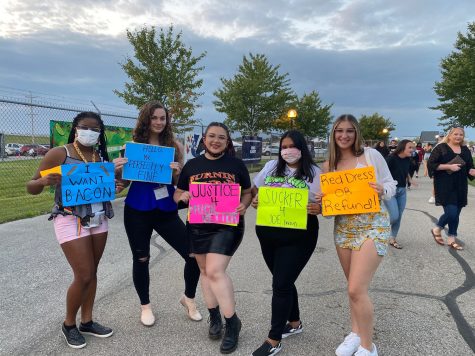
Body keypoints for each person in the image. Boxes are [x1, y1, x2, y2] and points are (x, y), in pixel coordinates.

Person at [26, 112, 117, 349]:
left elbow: (106, 186)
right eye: (85, 127)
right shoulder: (60, 153)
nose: (90, 132)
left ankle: (87, 321)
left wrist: (117, 183)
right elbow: (31, 186)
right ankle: (69, 324)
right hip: (69, 217)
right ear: (76, 128)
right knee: (84, 274)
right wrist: (44, 182)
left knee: (93, 272)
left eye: (95, 129)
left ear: (100, 132)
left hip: (98, 217)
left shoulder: (99, 155)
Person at [113, 101, 202, 326]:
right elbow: (123, 182)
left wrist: (178, 173)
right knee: (141, 258)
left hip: (165, 209)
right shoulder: (133, 146)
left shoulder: (174, 146)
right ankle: (145, 306)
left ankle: (189, 298)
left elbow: (180, 184)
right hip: (137, 209)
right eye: (154, 118)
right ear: (146, 120)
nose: (159, 122)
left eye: (163, 118)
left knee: (193, 254)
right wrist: (116, 170)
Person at [317, 114, 396, 356]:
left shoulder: (371, 155)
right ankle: (355, 332)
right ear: (333, 134)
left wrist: (382, 189)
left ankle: (368, 346)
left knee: (355, 289)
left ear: (356, 133)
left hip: (373, 225)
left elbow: (391, 185)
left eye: (349, 131)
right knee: (351, 285)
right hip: (343, 229)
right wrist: (322, 204)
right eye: (339, 130)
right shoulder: (328, 165)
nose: (344, 135)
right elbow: (330, 213)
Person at [174, 122, 252, 354]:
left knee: (216, 270)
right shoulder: (192, 165)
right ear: (204, 139)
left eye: (221, 137)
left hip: (227, 225)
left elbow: (247, 192)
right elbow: (177, 192)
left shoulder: (236, 165)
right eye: (211, 136)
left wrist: (244, 205)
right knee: (205, 271)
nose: (216, 140)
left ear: (227, 142)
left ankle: (232, 323)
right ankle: (214, 316)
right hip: (198, 225)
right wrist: (184, 194)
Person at [250, 130, 322, 356]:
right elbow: (256, 188)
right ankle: (294, 322)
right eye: (283, 146)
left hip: (299, 236)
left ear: (302, 147)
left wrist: (321, 208)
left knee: (280, 284)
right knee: (283, 280)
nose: (287, 151)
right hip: (268, 232)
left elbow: (331, 203)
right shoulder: (271, 167)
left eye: (292, 146)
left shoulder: (316, 173)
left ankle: (274, 339)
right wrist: (255, 199)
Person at [428, 127, 475, 250]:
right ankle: (439, 229)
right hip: (445, 185)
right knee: (452, 212)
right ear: (449, 135)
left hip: (460, 185)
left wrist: (472, 171)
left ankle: (449, 237)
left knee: (456, 213)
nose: (458, 136)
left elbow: (469, 166)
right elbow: (431, 165)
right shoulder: (441, 148)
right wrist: (449, 166)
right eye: (456, 134)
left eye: (461, 134)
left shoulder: (465, 150)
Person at [384, 140, 416, 249]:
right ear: (402, 147)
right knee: (394, 216)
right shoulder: (391, 158)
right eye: (410, 147)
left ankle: (392, 238)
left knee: (399, 216)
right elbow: (381, 172)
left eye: (413, 148)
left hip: (402, 190)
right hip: (391, 191)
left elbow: (405, 171)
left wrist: (410, 180)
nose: (412, 150)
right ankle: (376, 227)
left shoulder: (407, 159)